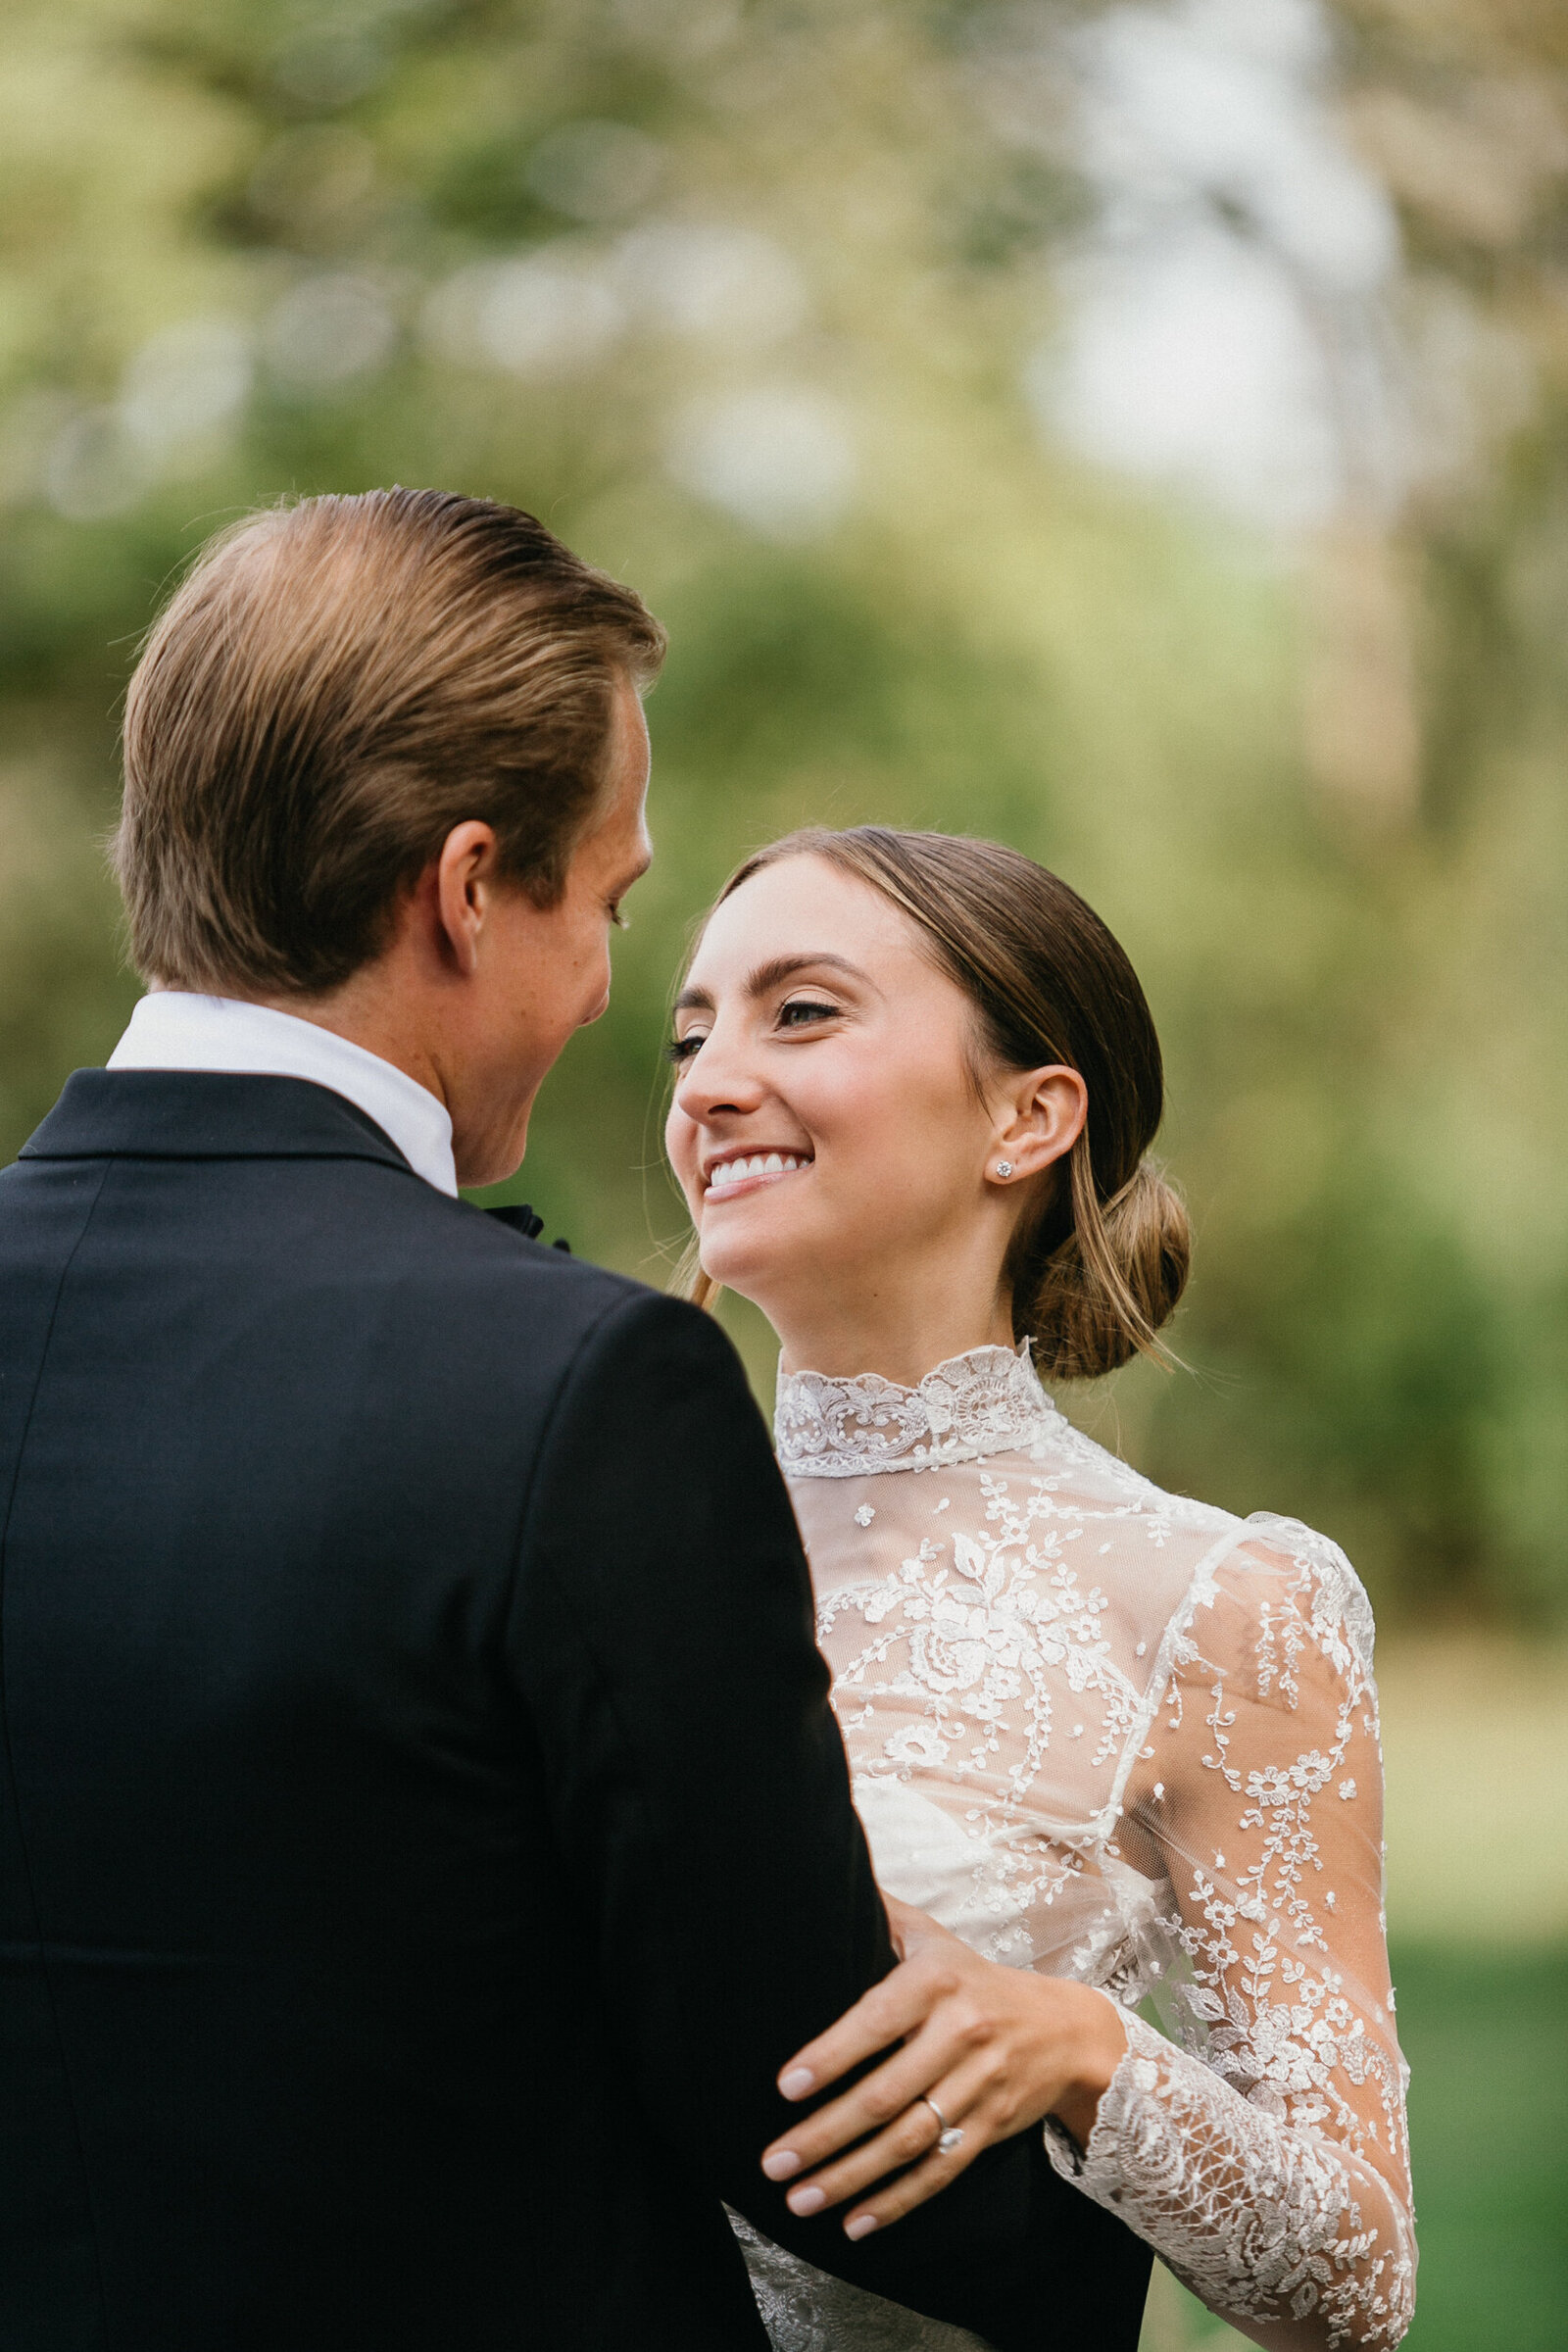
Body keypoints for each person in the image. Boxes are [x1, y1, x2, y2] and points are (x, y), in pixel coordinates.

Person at [0, 497, 1152, 2351]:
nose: (628, 1007)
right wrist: (1102, 2267)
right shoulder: (576, 1387)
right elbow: (798, 2101)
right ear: (465, 889)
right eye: (609, 906)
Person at [664, 826, 1417, 2352]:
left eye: (798, 1011)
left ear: (1029, 1115)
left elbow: (1355, 2285)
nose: (707, 1082)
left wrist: (1085, 2055)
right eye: (691, 1033)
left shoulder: (1218, 1605)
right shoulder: (589, 1534)